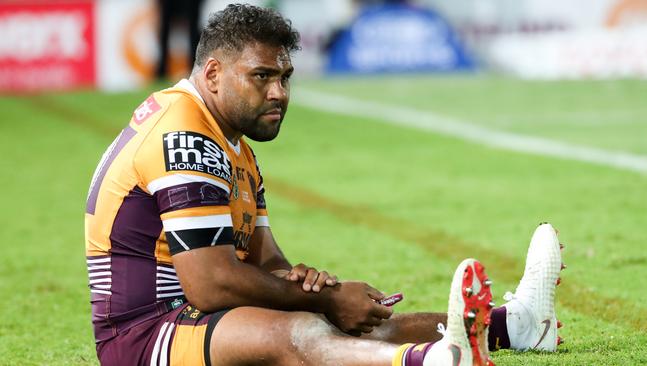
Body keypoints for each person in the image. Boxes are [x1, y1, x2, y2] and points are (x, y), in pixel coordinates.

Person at [84, 4, 565, 365]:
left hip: (195, 315)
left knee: (334, 322)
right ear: (213, 73)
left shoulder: (234, 146)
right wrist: (324, 299)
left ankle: (517, 326)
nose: (279, 93)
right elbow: (211, 284)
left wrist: (311, 283)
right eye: (262, 76)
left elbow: (266, 261)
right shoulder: (185, 136)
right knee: (304, 329)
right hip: (143, 336)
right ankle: (432, 360)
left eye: (286, 77)